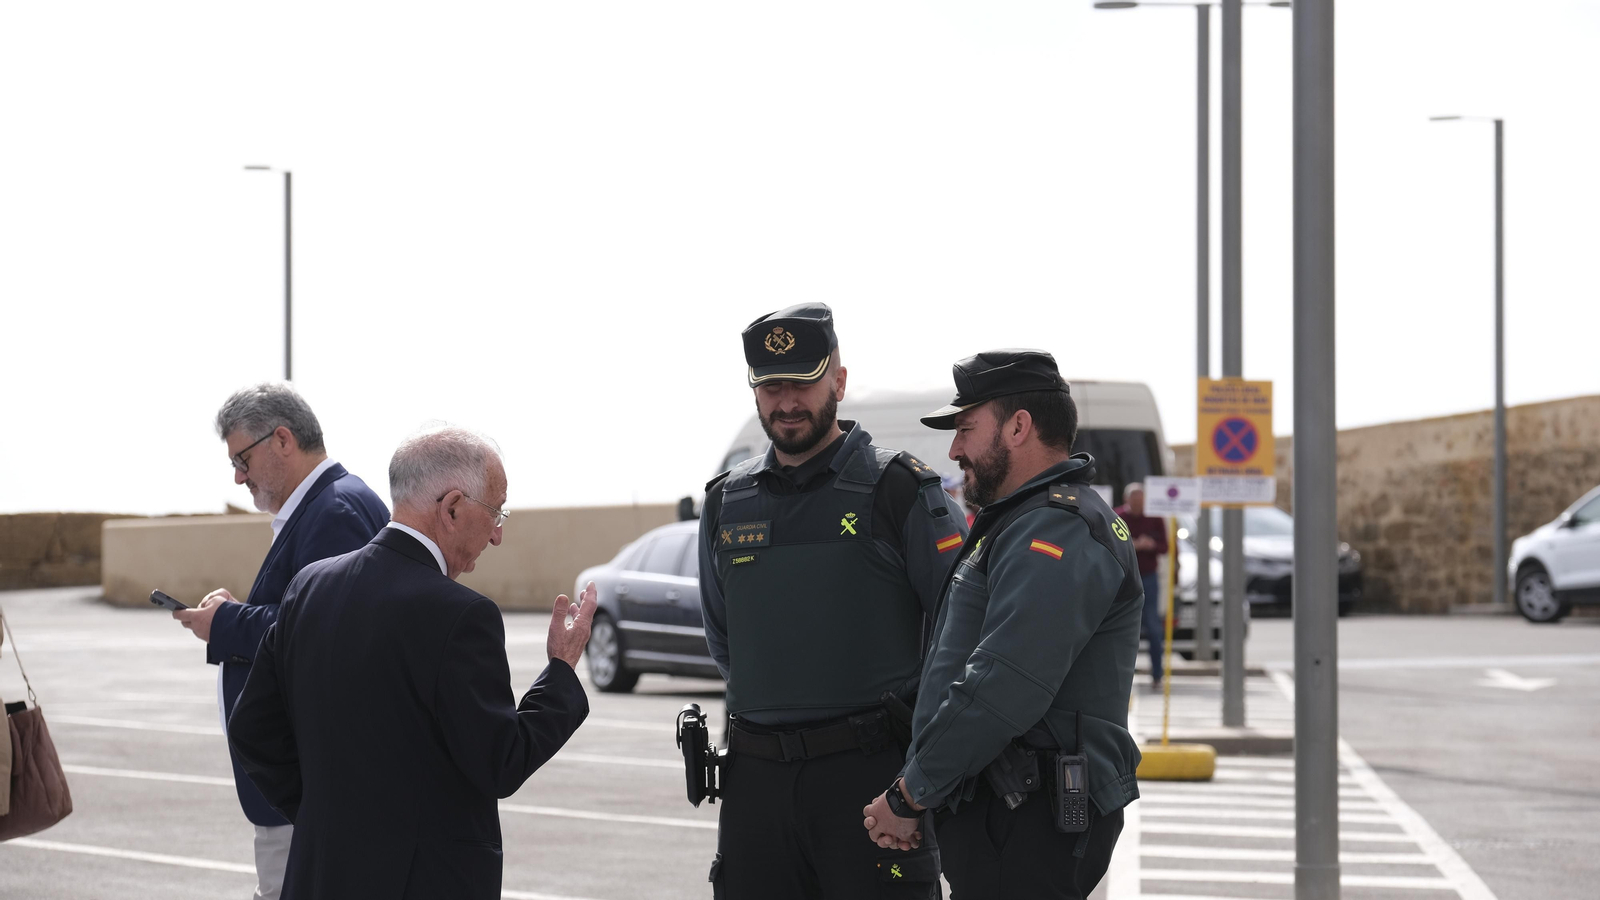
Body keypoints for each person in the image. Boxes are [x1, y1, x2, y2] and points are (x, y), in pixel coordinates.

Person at [228, 425, 596, 900]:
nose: (499, 534)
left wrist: (324, 817)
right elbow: (501, 762)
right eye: (496, 512)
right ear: (453, 508)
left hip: (320, 874)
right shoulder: (461, 614)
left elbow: (252, 730)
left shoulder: (308, 588)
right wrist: (561, 673)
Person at [696, 303, 966, 899]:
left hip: (871, 782)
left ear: (838, 382)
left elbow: (961, 636)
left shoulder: (901, 489)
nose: (786, 400)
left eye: (803, 381)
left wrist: (917, 779)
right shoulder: (726, 502)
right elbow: (725, 639)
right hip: (756, 787)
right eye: (770, 385)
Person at [863, 349, 1143, 899]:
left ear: (1018, 427)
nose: (954, 449)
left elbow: (1003, 684)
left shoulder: (1055, 529)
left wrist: (911, 794)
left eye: (966, 428)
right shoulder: (1018, 522)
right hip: (1004, 815)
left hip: (1027, 820)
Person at [173, 383, 388, 900]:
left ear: (283, 440)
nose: (238, 476)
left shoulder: (333, 511)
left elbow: (323, 634)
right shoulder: (329, 506)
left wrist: (225, 624)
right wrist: (232, 615)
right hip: (310, 786)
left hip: (310, 789)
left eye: (242, 458)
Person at [1116, 482, 1169, 691]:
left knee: (1154, 628)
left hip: (1148, 577)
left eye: (1141, 502)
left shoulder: (1154, 518)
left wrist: (1151, 545)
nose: (1138, 506)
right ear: (1126, 501)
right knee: (1125, 628)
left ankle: (1157, 675)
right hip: (1125, 577)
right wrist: (1133, 545)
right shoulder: (1117, 516)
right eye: (1134, 502)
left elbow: (1165, 546)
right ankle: (1124, 675)